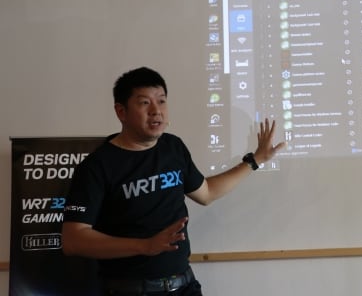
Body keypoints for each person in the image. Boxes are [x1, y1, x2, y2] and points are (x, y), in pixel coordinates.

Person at [62, 66, 285, 295]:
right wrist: (144, 246)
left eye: (161, 101)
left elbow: (206, 193)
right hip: (130, 290)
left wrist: (255, 160)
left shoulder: (173, 148)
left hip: (184, 286)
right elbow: (73, 240)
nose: (156, 111)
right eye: (144, 103)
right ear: (121, 111)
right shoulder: (97, 166)